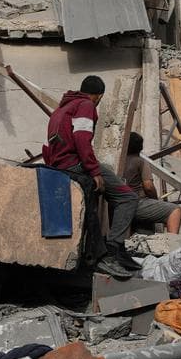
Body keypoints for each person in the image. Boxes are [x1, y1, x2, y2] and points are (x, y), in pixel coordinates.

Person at [42, 75, 141, 278]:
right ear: (99, 96)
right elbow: (82, 139)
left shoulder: (62, 108)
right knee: (128, 197)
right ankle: (113, 248)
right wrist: (94, 171)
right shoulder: (86, 105)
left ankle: (103, 247)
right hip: (74, 165)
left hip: (59, 165)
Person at [121, 132, 181, 234]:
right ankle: (172, 245)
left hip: (122, 204)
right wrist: (156, 199)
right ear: (140, 147)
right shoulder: (140, 162)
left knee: (147, 229)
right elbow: (148, 187)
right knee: (175, 210)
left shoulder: (120, 161)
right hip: (137, 203)